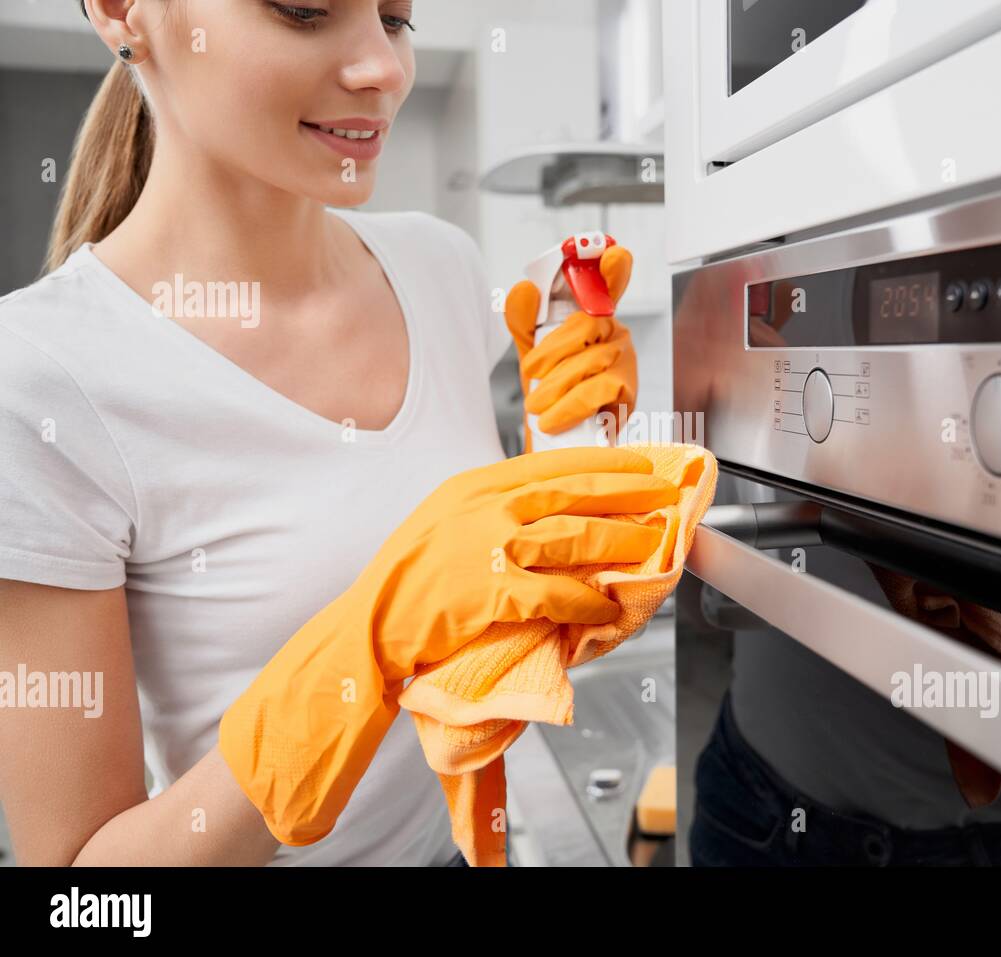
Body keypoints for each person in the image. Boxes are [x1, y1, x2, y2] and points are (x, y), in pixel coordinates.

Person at [0, 0, 647, 866]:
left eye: (394, 17)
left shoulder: (441, 264)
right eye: (305, 10)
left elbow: (473, 599)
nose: (382, 66)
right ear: (124, 12)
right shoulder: (42, 374)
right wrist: (360, 649)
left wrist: (561, 454)